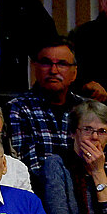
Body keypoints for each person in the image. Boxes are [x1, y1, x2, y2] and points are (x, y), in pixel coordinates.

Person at [6, 39, 90, 167]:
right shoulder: (17, 108)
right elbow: (26, 167)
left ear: (74, 73)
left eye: (62, 64)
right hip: (38, 185)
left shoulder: (88, 109)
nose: (53, 71)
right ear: (35, 68)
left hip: (87, 185)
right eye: (46, 63)